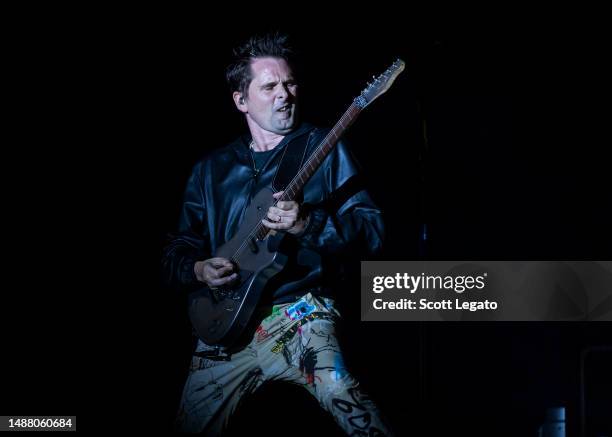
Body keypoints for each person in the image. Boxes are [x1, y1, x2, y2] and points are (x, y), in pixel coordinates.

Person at [162, 32, 393, 436]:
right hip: (223, 329)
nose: (284, 95)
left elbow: (372, 233)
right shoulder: (211, 171)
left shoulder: (322, 147)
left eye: (289, 83)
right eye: (269, 86)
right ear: (241, 100)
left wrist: (307, 223)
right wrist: (198, 269)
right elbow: (177, 248)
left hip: (298, 315)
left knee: (345, 395)